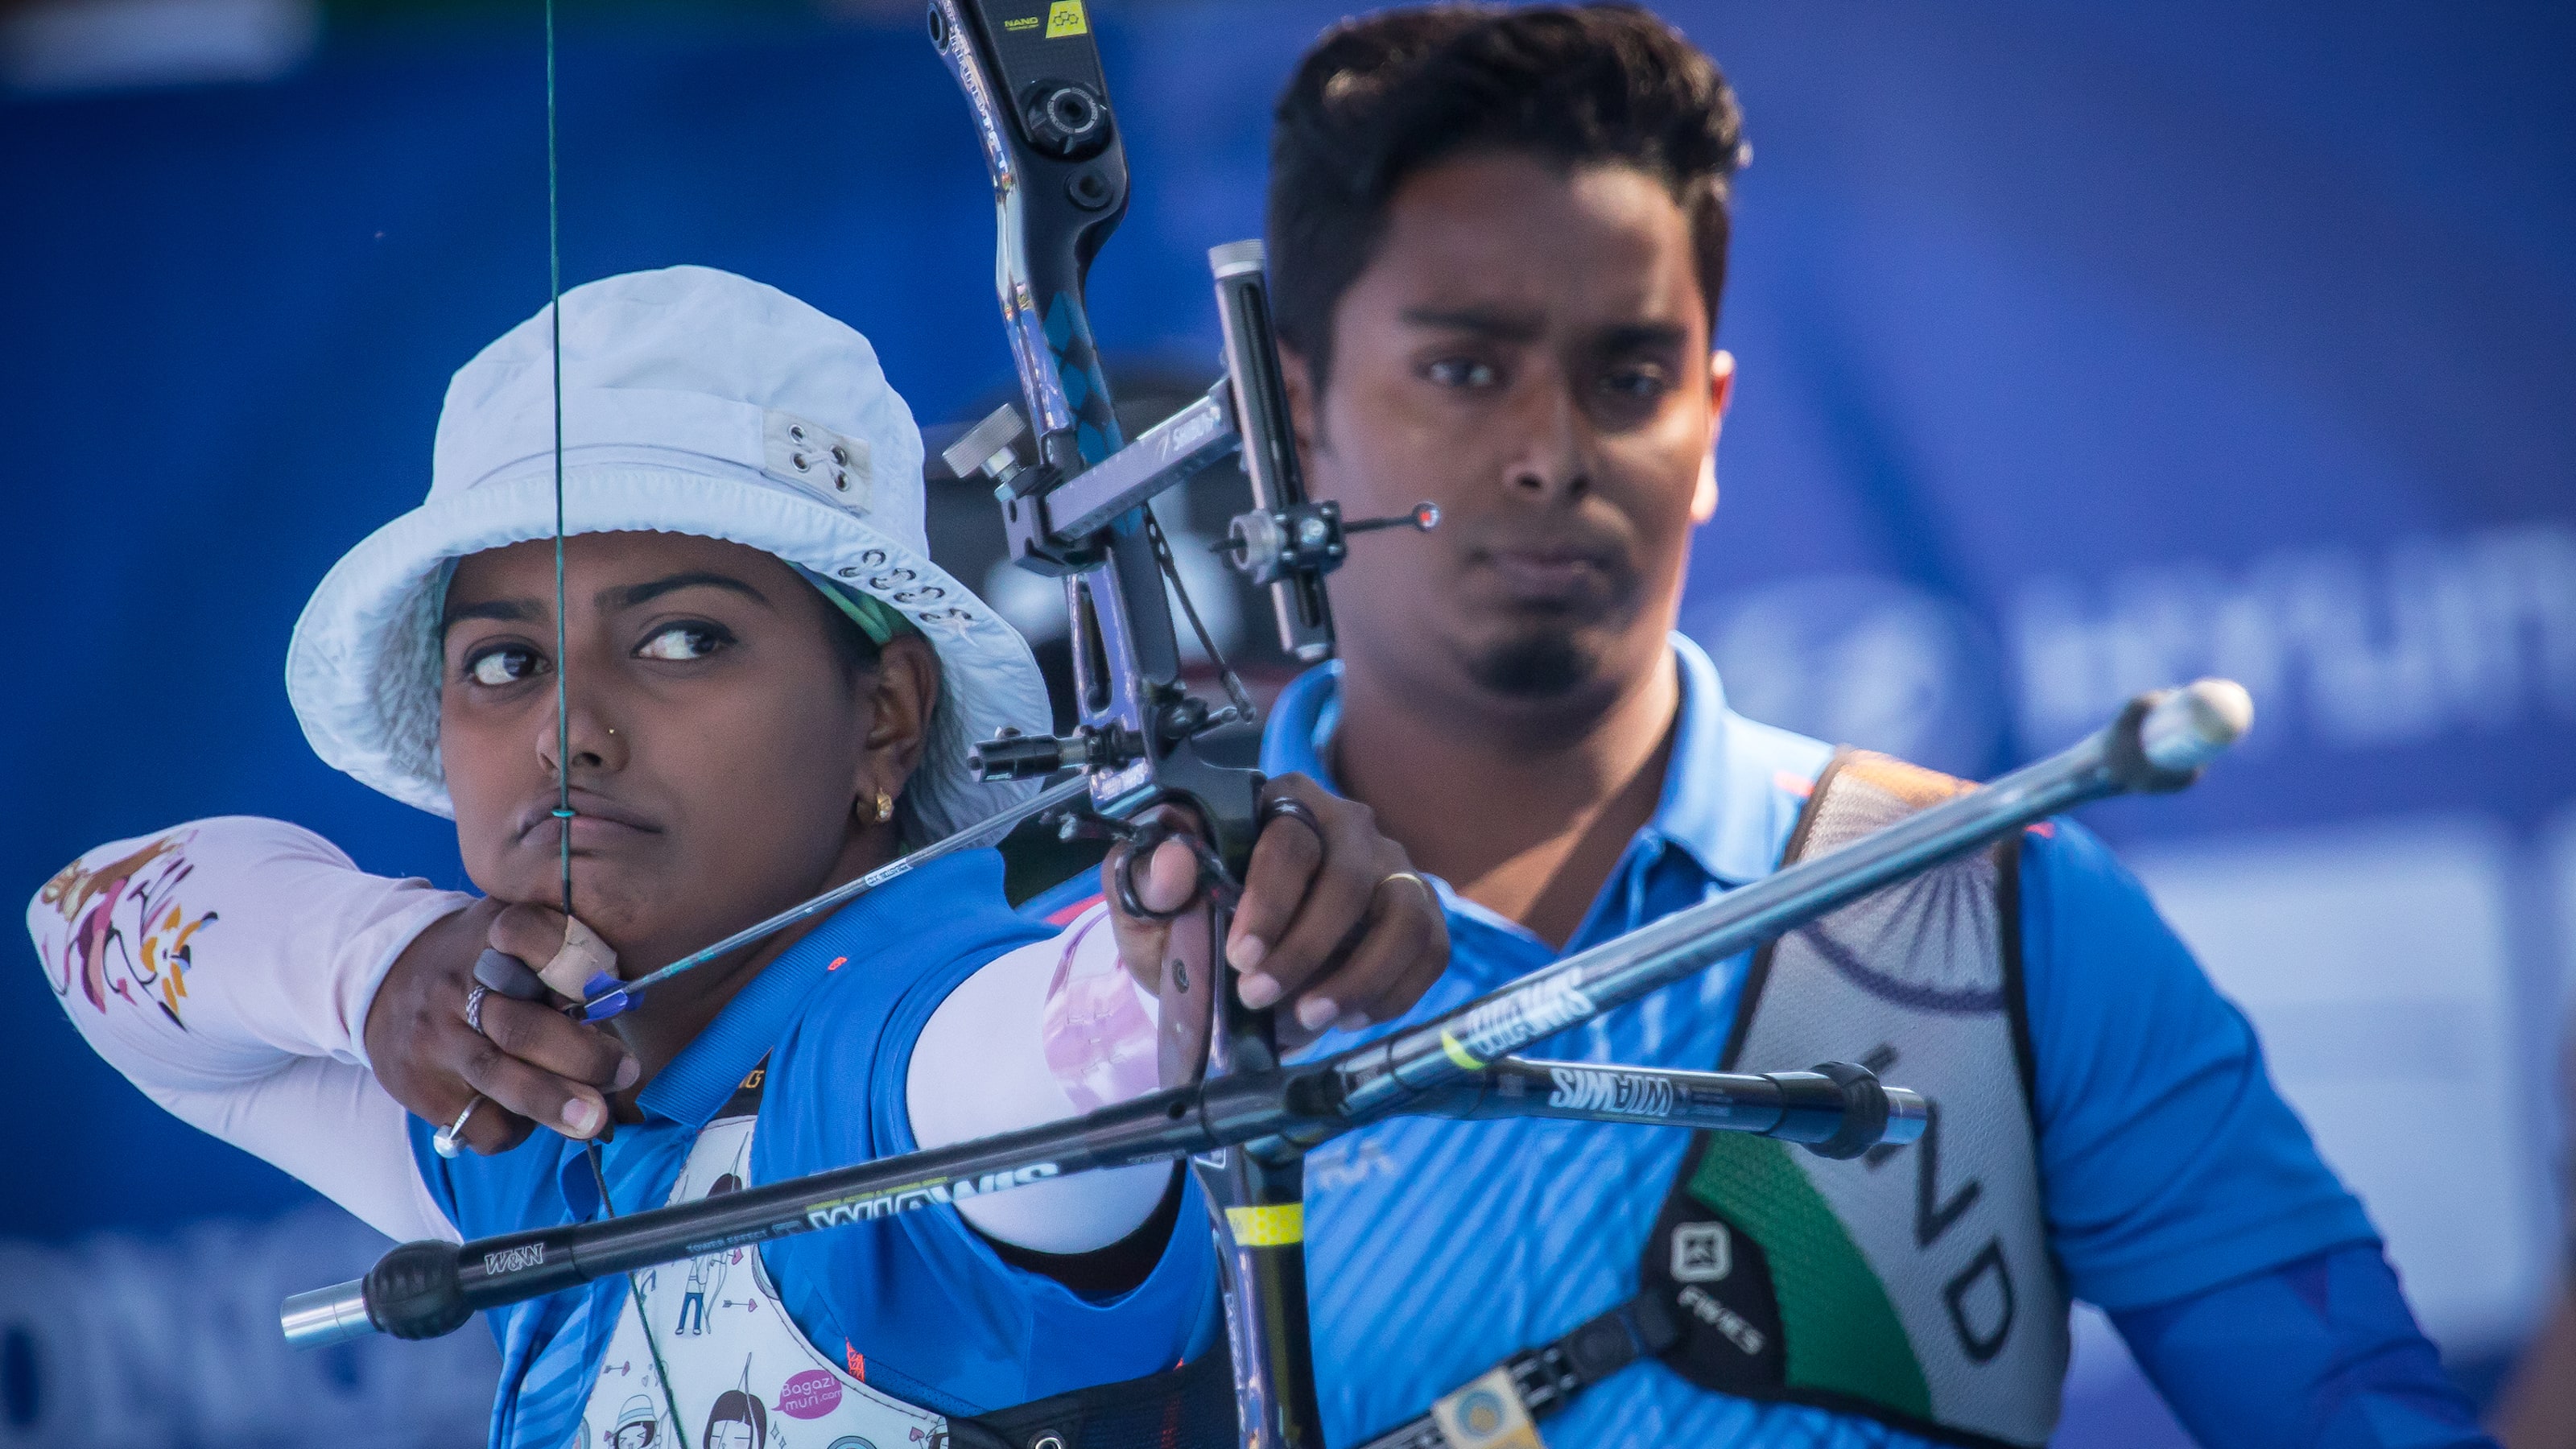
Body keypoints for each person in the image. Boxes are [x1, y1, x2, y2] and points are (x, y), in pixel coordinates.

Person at [1191, 6, 2494, 1446]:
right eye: (1466, 368)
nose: (1553, 454)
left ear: (1713, 420)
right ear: (1293, 415)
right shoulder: (1119, 976)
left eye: (1630, 378)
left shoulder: (1998, 909)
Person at [28, 264, 1446, 1449]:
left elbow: (1073, 1047)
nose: (569, 736)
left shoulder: (906, 1044)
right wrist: (378, 968)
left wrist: (1213, 941)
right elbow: (79, 931)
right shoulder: (533, 1114)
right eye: (507, 662)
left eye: (685, 640)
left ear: (885, 716)